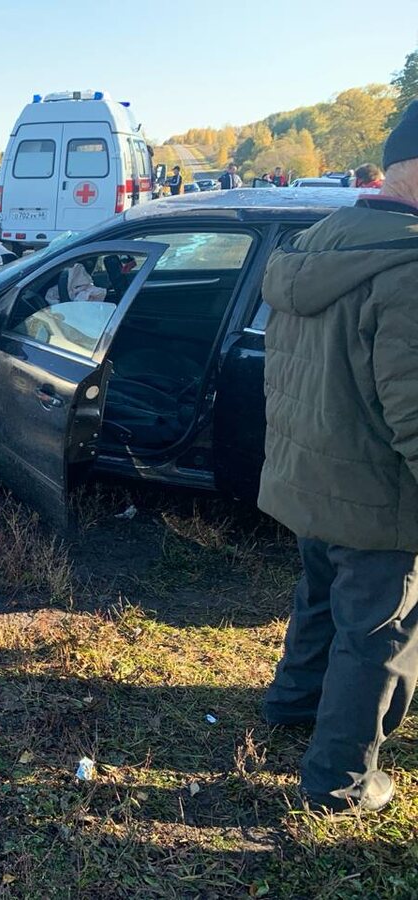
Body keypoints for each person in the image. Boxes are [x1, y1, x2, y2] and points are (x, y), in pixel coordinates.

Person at [257, 99, 418, 813]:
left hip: (307, 476)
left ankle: (292, 703)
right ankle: (341, 785)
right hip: (376, 498)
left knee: (320, 597)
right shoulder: (408, 270)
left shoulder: (319, 240)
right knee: (377, 636)